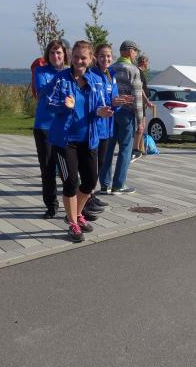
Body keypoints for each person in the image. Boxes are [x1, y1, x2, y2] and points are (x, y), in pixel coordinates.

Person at [47, 41, 114, 242]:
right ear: (71, 56)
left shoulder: (95, 80)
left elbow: (100, 105)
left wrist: (102, 111)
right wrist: (63, 105)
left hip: (89, 139)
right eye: (75, 56)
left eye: (83, 57)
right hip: (64, 141)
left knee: (90, 181)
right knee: (70, 182)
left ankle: (77, 214)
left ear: (91, 59)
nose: (78, 61)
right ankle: (73, 223)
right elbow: (48, 103)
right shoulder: (61, 78)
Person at [89, 43, 129, 212]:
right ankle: (87, 197)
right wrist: (105, 106)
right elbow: (91, 101)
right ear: (96, 57)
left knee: (101, 163)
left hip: (107, 127)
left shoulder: (111, 75)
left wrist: (118, 103)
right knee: (91, 166)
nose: (106, 58)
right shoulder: (90, 75)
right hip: (94, 127)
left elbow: (113, 100)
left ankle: (91, 196)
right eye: (102, 56)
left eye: (108, 56)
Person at [98, 40, 142, 195]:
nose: (136, 54)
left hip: (110, 112)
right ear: (130, 51)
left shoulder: (111, 68)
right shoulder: (133, 69)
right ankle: (119, 184)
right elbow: (137, 96)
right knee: (125, 149)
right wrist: (140, 119)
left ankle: (104, 184)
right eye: (135, 51)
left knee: (108, 149)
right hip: (127, 113)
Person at [33, 40, 69, 219]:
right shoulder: (40, 71)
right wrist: (57, 77)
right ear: (48, 55)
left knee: (66, 169)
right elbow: (41, 92)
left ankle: (73, 205)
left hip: (63, 127)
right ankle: (51, 205)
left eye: (59, 53)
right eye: (53, 53)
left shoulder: (70, 73)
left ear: (65, 55)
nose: (56, 56)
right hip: (44, 127)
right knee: (47, 168)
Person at [132, 53, 153, 162]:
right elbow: (140, 88)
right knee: (141, 126)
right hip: (139, 102)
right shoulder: (138, 72)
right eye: (147, 62)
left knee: (142, 126)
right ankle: (135, 149)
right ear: (144, 62)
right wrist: (146, 100)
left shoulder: (141, 72)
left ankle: (140, 148)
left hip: (141, 102)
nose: (148, 64)